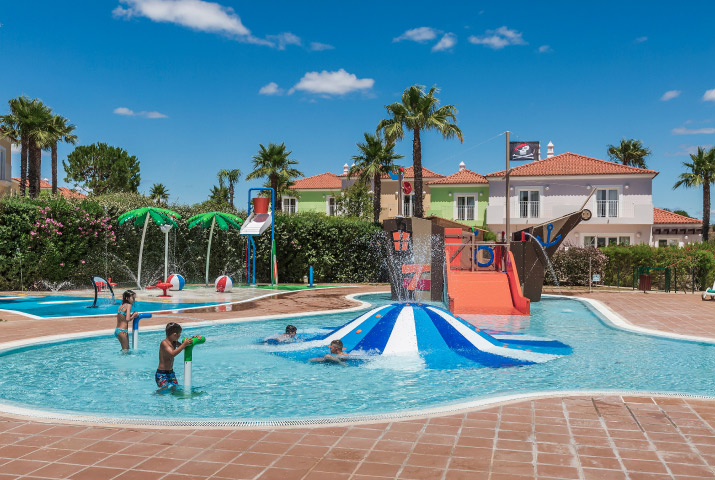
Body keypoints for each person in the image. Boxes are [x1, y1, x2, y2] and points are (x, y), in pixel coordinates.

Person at [155, 322, 193, 391]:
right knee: (163, 390)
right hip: (162, 374)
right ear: (175, 334)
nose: (180, 336)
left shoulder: (174, 342)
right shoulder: (164, 343)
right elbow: (172, 354)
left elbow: (184, 346)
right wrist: (184, 344)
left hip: (170, 372)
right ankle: (156, 397)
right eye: (179, 334)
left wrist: (194, 338)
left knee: (175, 388)